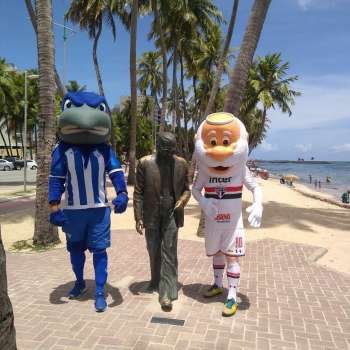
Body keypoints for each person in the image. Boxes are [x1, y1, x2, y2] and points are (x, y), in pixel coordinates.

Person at [48, 92, 128, 312]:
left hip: (99, 211)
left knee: (100, 251)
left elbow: (116, 172)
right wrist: (54, 207)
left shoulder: (104, 150)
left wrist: (122, 193)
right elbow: (56, 180)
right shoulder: (62, 151)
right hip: (73, 212)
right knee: (75, 251)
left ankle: (100, 291)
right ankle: (80, 282)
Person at [192, 112, 263, 317]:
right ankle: (217, 284)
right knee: (216, 253)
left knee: (232, 257)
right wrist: (204, 201)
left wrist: (258, 204)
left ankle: (232, 295)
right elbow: (195, 190)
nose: (220, 151)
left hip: (234, 223)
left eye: (225, 141)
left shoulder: (240, 169)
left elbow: (256, 187)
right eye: (213, 141)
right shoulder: (205, 172)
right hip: (213, 222)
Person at [133, 132, 191, 312]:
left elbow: (187, 190)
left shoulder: (181, 164)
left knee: (169, 251)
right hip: (151, 214)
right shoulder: (144, 163)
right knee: (153, 250)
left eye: (172, 149)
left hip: (172, 214)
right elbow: (138, 192)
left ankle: (166, 293)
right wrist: (138, 217)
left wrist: (182, 201)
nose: (169, 153)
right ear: (158, 147)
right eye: (165, 149)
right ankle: (155, 281)